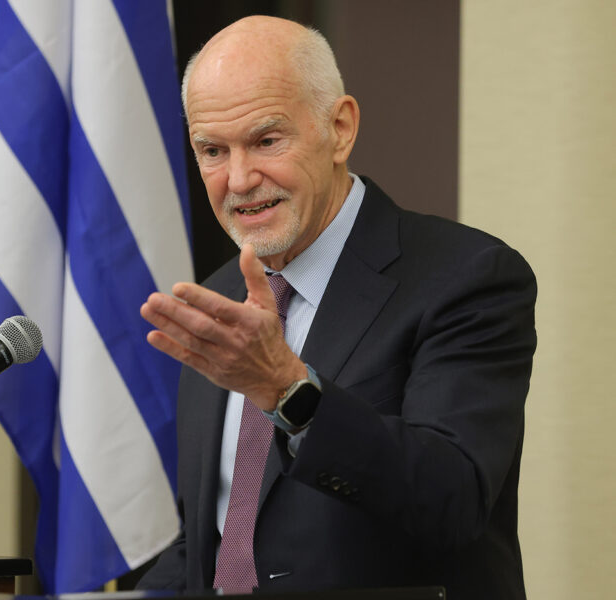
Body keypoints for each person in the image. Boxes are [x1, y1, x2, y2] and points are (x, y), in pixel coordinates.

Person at [137, 15, 535, 599]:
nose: (240, 179)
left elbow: (453, 499)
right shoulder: (219, 299)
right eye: (213, 150)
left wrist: (288, 391)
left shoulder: (466, 277)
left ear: (340, 128)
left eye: (267, 140)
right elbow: (219, 539)